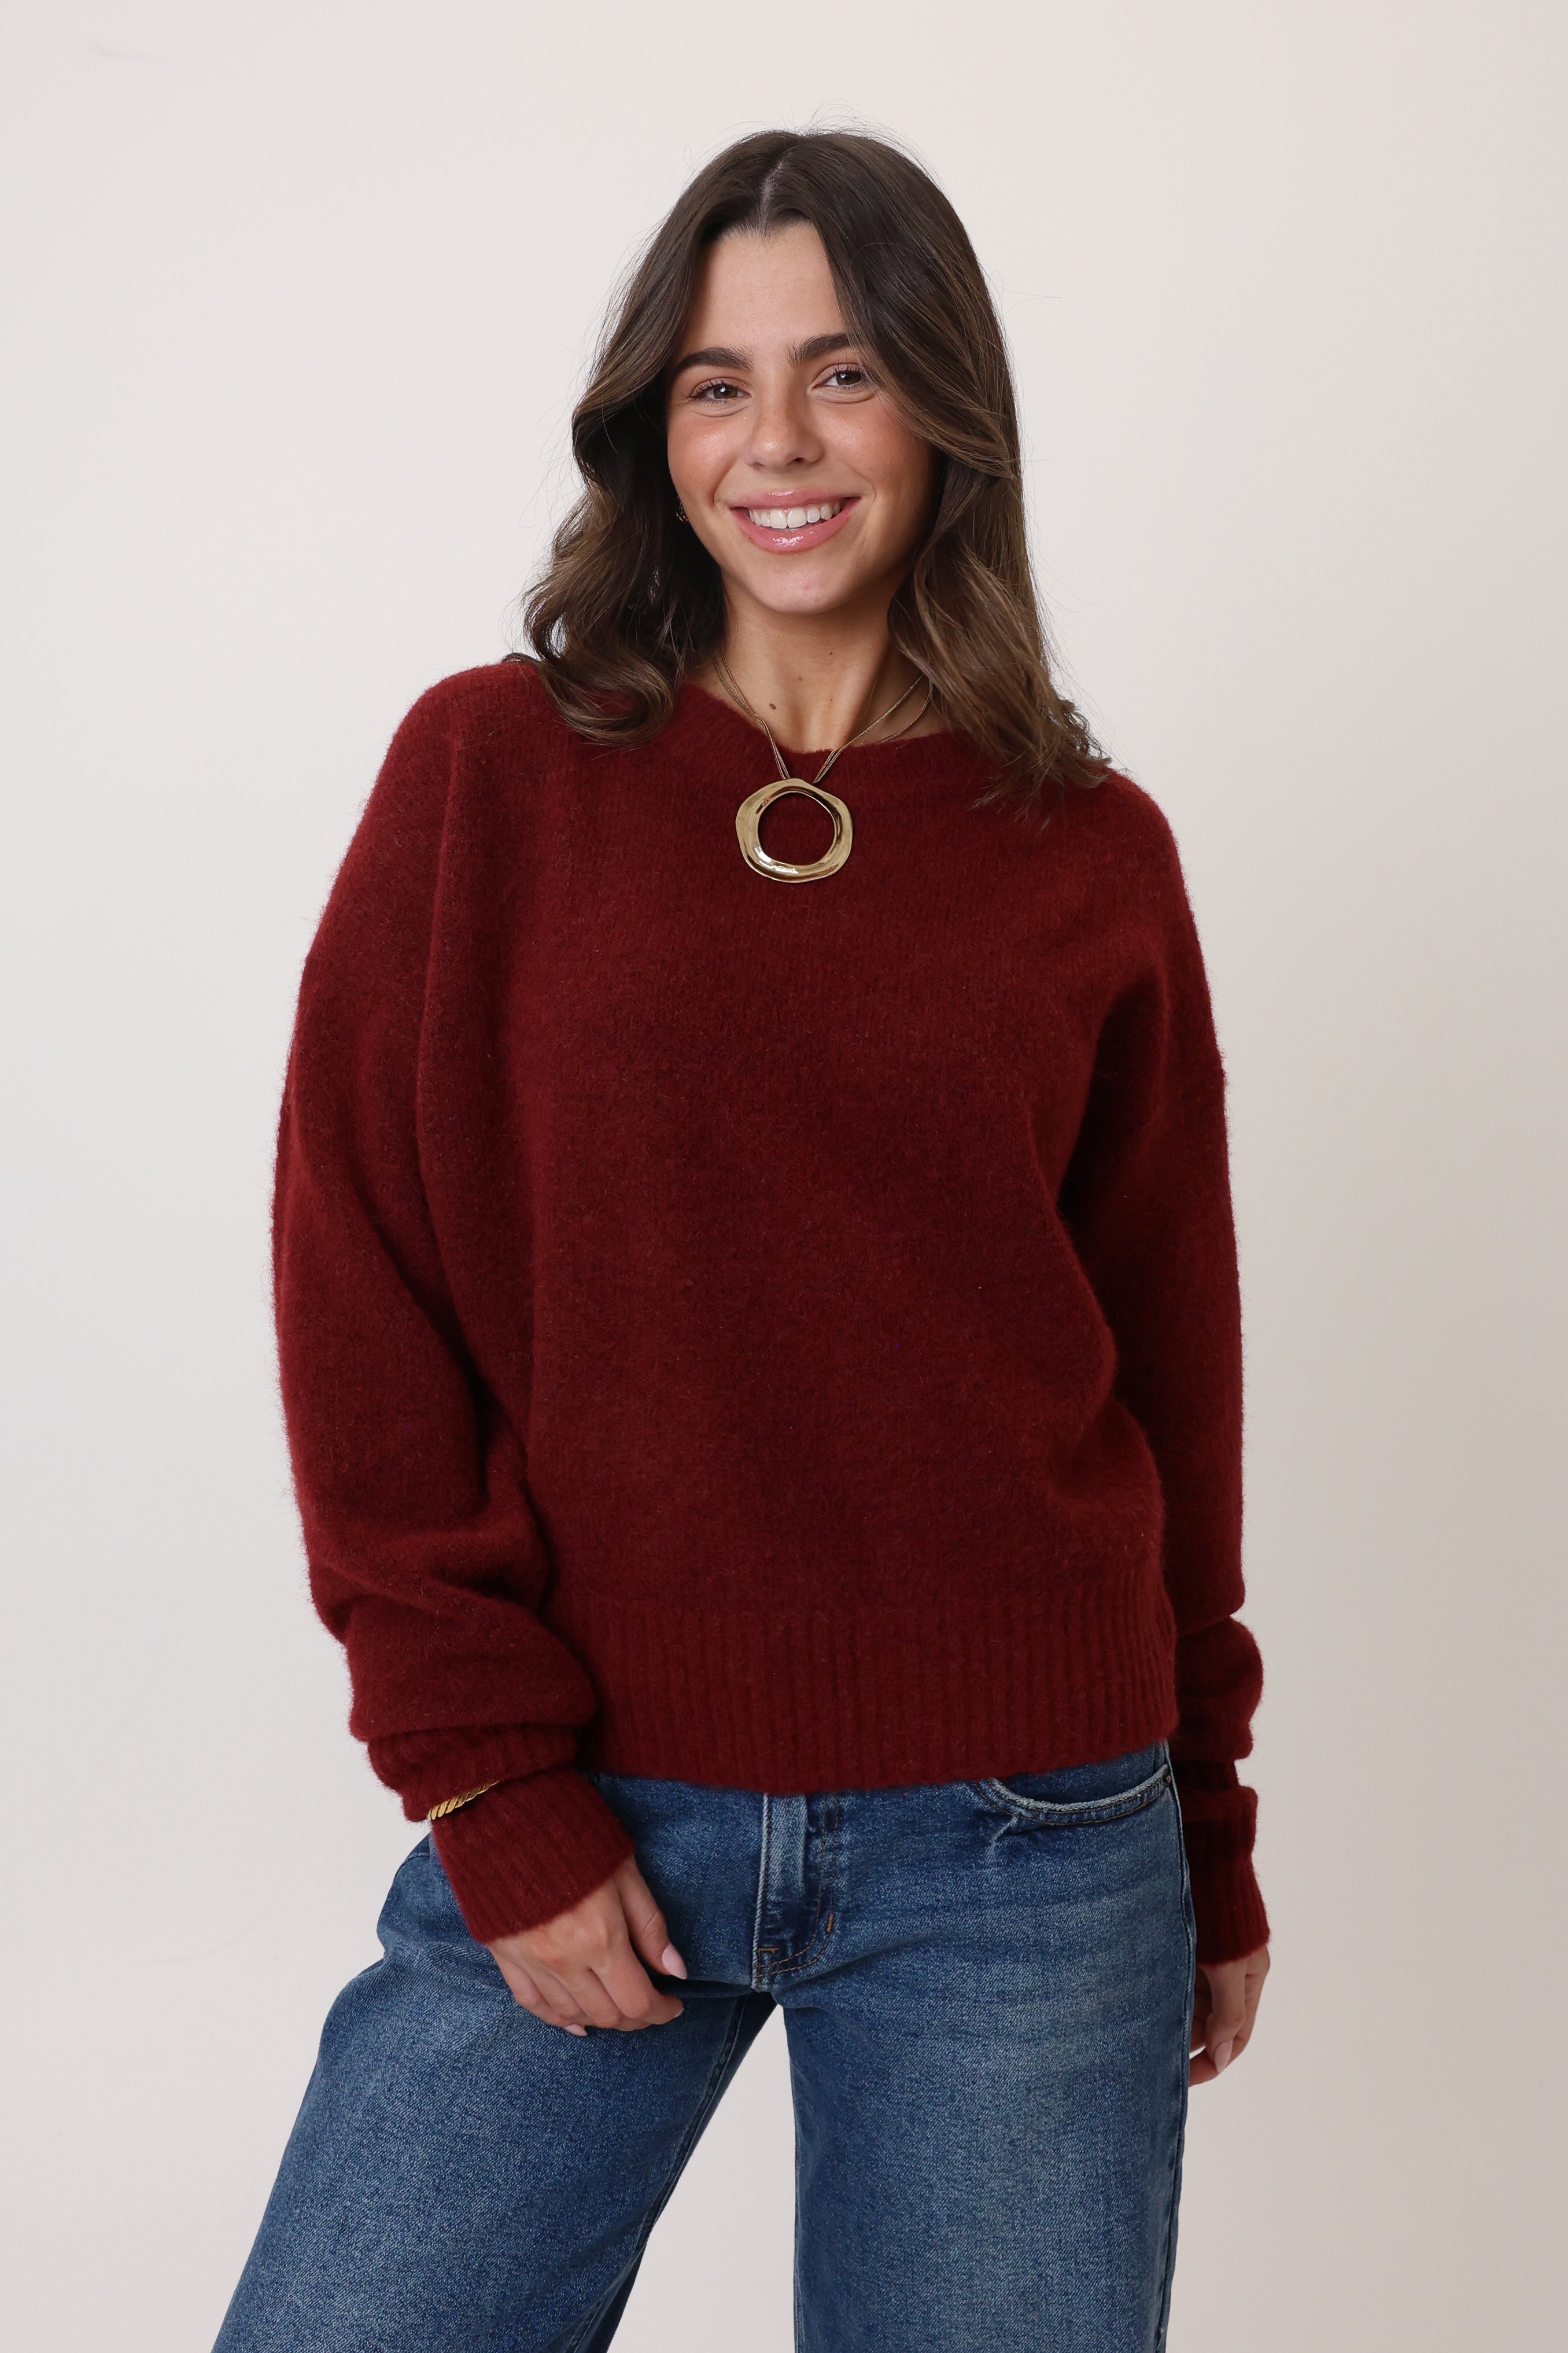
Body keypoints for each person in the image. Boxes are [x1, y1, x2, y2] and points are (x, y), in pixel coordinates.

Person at [215, 127, 1271, 2353]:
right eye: (715, 383)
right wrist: (489, 1777)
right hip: (597, 1774)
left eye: (844, 372)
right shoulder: (490, 776)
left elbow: (1171, 1367)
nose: (776, 443)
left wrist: (1213, 1822)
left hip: (1036, 1832)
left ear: (946, 420)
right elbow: (359, 1279)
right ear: (651, 428)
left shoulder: (1087, 850)